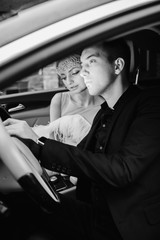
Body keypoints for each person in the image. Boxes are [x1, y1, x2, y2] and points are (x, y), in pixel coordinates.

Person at [3, 39, 160, 240]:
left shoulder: (151, 104)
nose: (84, 72)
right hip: (97, 210)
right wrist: (30, 145)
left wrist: (39, 142)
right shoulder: (105, 112)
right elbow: (81, 154)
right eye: (82, 66)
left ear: (117, 66)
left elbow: (122, 170)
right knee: (22, 202)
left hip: (126, 225)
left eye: (91, 63)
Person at [33, 54, 104, 146]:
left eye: (74, 73)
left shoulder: (105, 105)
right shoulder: (59, 99)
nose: (69, 81)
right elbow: (53, 140)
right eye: (64, 77)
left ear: (87, 70)